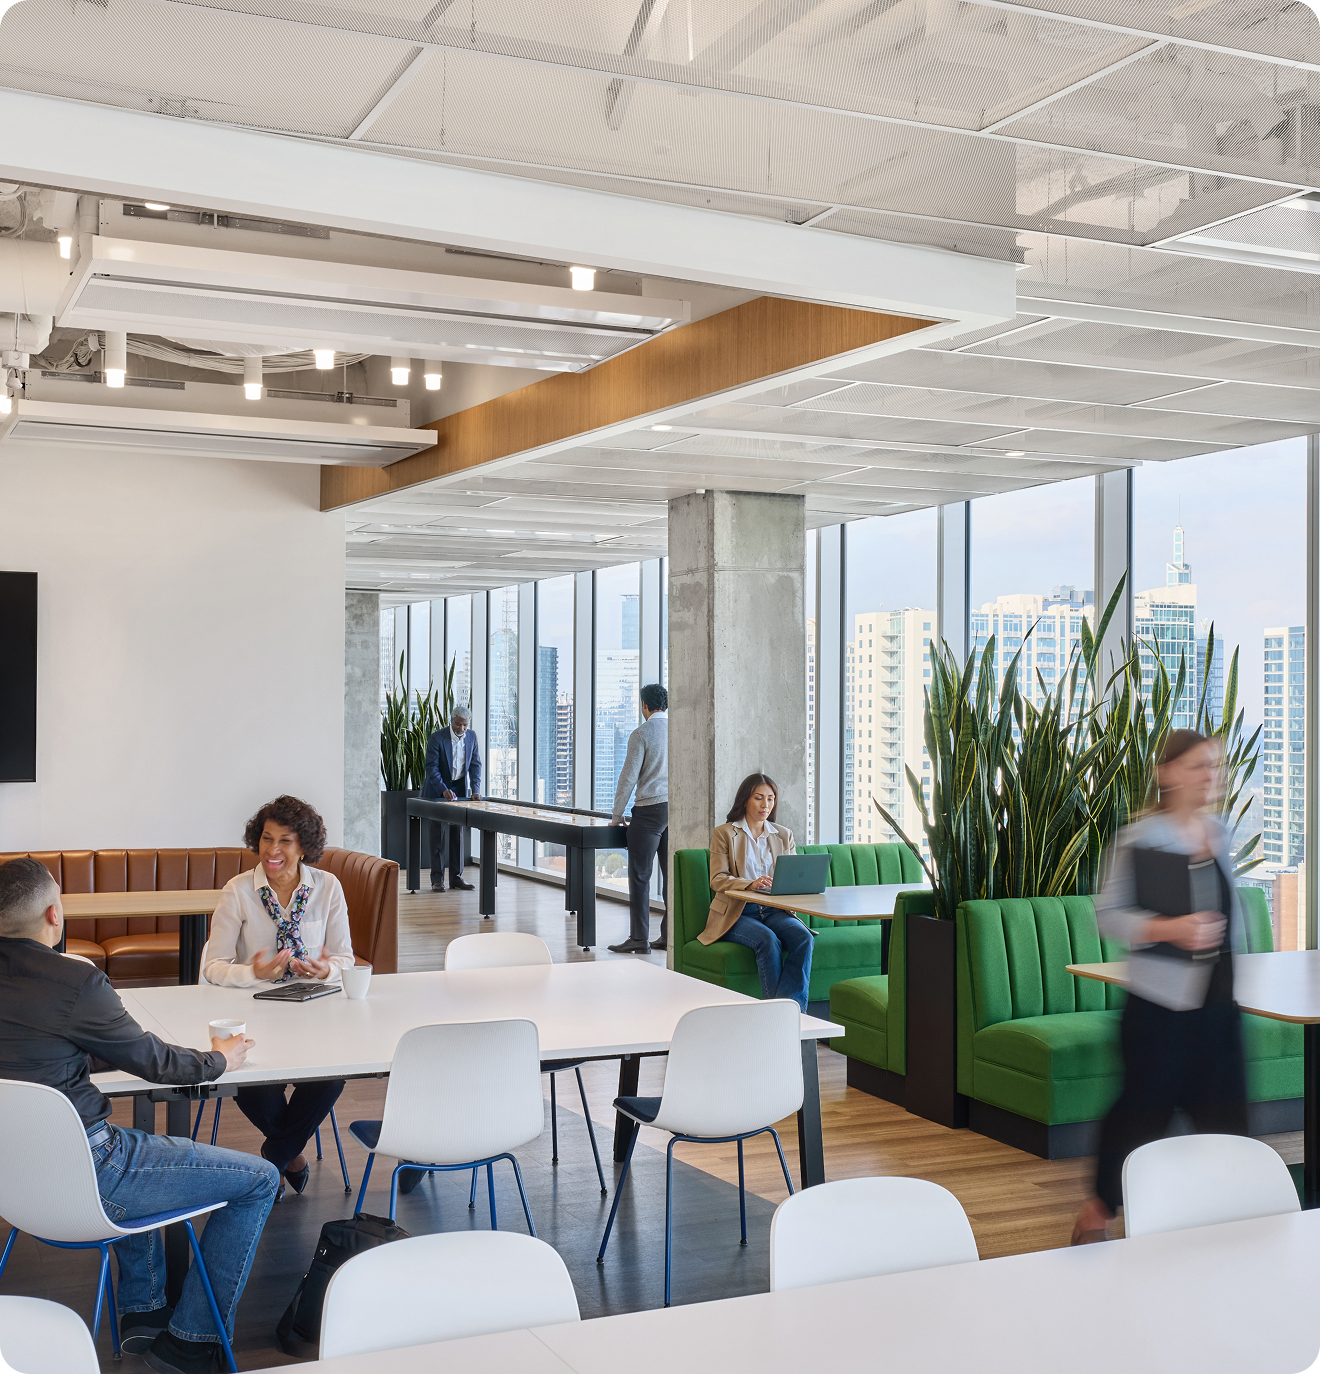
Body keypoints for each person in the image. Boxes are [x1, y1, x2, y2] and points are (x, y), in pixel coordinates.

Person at [0, 856, 278, 1374]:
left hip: (12, 1180)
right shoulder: (75, 982)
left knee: (140, 1148)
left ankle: (143, 1311)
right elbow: (157, 1063)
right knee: (260, 1180)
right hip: (93, 1174)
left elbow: (34, 1051)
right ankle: (191, 1343)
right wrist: (220, 1059)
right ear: (55, 916)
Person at [1071, 729, 1248, 1245]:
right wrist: (1170, 929)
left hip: (1219, 1009)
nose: (1209, 776)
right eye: (1197, 766)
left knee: (1229, 1128)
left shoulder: (1219, 831)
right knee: (1139, 1120)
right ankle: (1098, 1211)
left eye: (1214, 766)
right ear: (1166, 773)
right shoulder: (1140, 839)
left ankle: (1218, 1232)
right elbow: (1107, 918)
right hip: (1159, 1011)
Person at [206, 795, 354, 1202]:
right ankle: (291, 1157)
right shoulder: (238, 891)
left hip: (315, 1014)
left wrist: (328, 970)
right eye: (267, 839)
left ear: (303, 845)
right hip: (255, 1016)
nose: (273, 851)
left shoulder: (328, 888)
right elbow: (212, 966)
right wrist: (253, 972)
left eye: (285, 841)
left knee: (331, 1077)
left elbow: (344, 957)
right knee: (254, 1086)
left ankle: (275, 1156)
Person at [698, 772, 813, 1011]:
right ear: (745, 800)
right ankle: (774, 1015)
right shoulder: (725, 833)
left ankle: (792, 1014)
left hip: (774, 910)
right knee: (768, 940)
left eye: (770, 799)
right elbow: (717, 879)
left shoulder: (784, 835)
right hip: (738, 912)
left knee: (804, 937)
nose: (766, 805)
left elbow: (791, 878)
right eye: (759, 798)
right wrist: (749, 884)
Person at [607, 683, 669, 955]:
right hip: (675, 810)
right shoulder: (679, 730)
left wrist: (617, 814)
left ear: (644, 705)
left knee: (640, 876)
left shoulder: (642, 733)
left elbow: (629, 777)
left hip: (650, 811)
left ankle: (639, 938)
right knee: (672, 878)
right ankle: (669, 936)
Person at [422, 704, 482, 892]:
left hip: (460, 789)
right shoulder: (437, 737)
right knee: (437, 836)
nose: (462, 729)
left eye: (465, 725)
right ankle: (437, 880)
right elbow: (431, 768)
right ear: (452, 720)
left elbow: (475, 765)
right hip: (437, 790)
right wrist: (443, 790)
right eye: (458, 724)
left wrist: (476, 789)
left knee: (457, 835)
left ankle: (456, 877)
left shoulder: (472, 737)